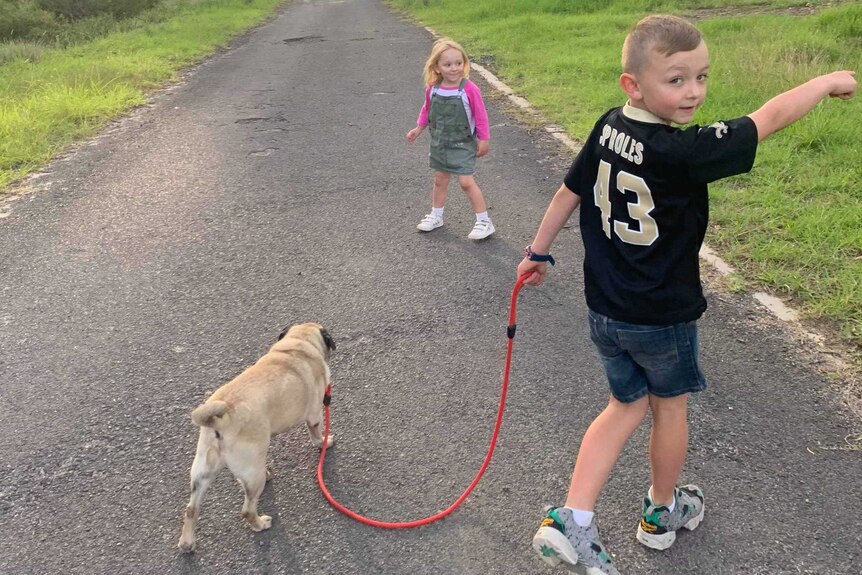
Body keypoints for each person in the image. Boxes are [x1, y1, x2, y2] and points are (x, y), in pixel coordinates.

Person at [517, 14, 856, 575]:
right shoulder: (682, 151)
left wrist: (537, 251)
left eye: (702, 76)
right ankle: (660, 513)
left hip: (606, 309)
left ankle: (572, 517)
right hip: (662, 317)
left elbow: (568, 190)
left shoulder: (606, 126)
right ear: (634, 84)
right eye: (676, 79)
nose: (694, 91)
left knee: (624, 405)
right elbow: (766, 118)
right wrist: (823, 83)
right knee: (669, 408)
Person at [406, 38, 495, 240]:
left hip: (463, 144)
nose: (454, 68)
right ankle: (437, 216)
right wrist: (418, 129)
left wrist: (484, 138)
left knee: (465, 182)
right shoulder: (433, 88)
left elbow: (480, 115)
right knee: (440, 180)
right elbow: (427, 110)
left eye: (458, 63)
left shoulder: (469, 89)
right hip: (440, 143)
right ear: (437, 67)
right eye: (447, 64)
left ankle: (484, 221)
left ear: (464, 63)